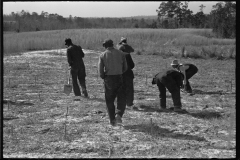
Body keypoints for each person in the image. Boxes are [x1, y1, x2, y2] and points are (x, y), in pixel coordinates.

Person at [98, 39, 128, 126]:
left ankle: (112, 120)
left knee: (109, 100)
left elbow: (100, 70)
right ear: (112, 44)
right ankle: (119, 114)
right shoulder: (121, 53)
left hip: (109, 79)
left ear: (105, 46)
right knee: (121, 98)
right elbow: (125, 67)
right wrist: (120, 73)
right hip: (119, 77)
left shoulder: (102, 55)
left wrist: (103, 76)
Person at [116, 37, 135, 108]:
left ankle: (121, 103)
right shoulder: (127, 54)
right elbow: (132, 65)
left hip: (118, 74)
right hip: (128, 74)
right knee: (129, 89)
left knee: (120, 89)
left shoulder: (115, 55)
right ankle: (129, 103)